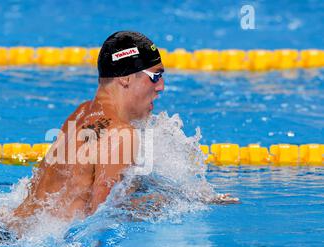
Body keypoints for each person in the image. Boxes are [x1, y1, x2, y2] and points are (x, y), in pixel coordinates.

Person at [13, 31, 239, 221]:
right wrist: (170, 202)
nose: (161, 87)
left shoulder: (82, 113)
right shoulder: (121, 134)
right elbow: (100, 218)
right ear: (125, 78)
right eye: (155, 76)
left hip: (13, 228)